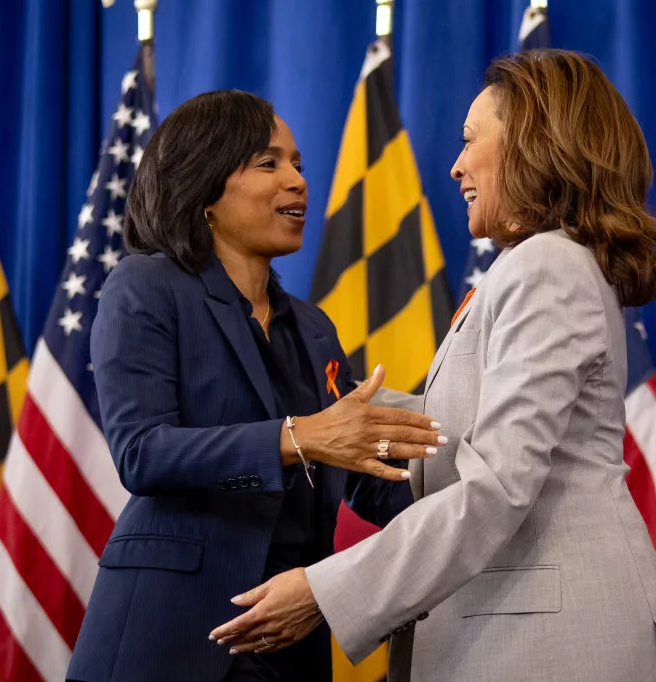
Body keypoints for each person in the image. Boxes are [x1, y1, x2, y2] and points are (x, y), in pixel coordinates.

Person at [211, 50, 656, 681]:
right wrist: (314, 409)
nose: (456, 165)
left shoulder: (545, 266)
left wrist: (327, 590)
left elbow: (497, 487)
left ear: (532, 146)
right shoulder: (543, 264)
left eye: (469, 141)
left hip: (554, 644)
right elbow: (459, 433)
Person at [65, 90, 444, 682]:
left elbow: (364, 473)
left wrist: (469, 498)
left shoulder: (314, 328)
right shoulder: (144, 286)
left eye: (298, 164)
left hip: (288, 640)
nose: (296, 181)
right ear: (204, 185)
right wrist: (298, 438)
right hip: (171, 638)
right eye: (269, 163)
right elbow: (142, 453)